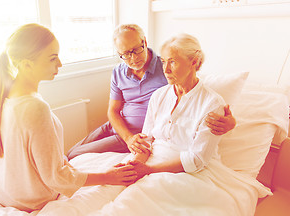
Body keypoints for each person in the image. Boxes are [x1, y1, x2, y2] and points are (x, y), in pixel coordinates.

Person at [0, 23, 137, 213]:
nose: (59, 64)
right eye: (52, 58)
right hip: (28, 199)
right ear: (26, 64)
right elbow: (56, 178)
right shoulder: (35, 107)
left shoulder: (5, 96)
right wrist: (107, 177)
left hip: (0, 189)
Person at [67, 24, 236, 160]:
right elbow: (113, 111)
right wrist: (127, 137)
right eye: (126, 54)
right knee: (69, 153)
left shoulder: (166, 68)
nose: (133, 58)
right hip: (117, 127)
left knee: (75, 156)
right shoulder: (118, 71)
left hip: (137, 135)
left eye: (136, 49)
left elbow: (194, 90)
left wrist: (231, 122)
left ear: (145, 42)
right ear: (119, 54)